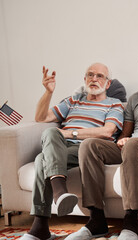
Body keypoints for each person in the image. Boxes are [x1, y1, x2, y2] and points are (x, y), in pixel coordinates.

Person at [65, 45, 138, 240]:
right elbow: (124, 134)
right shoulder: (136, 98)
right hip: (133, 147)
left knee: (133, 144)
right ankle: (96, 220)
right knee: (90, 145)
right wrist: (121, 141)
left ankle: (130, 223)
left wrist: (136, 141)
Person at [21, 63, 124, 240]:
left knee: (41, 160)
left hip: (87, 147)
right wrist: (48, 92)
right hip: (61, 146)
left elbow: (107, 131)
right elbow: (41, 117)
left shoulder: (114, 104)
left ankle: (42, 224)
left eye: (100, 76)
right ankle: (57, 199)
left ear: (108, 84)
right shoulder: (73, 100)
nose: (94, 79)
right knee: (47, 140)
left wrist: (69, 133)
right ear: (84, 79)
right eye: (90, 75)